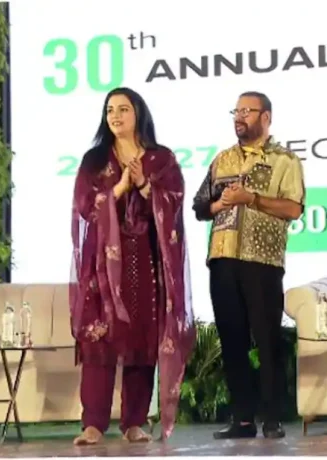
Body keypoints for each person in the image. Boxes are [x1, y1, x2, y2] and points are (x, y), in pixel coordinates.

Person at [69, 87, 195, 445]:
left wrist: (143, 185)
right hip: (102, 265)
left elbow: (174, 203)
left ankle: (135, 422)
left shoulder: (161, 160)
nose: (116, 116)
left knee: (141, 341)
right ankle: (93, 423)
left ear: (138, 113)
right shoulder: (95, 160)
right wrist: (119, 189)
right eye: (110, 110)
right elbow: (85, 206)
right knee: (99, 341)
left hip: (145, 261)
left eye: (123, 109)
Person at [192, 91, 305, 440]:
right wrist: (220, 205)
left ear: (265, 117)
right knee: (232, 340)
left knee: (267, 340)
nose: (239, 117)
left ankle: (272, 418)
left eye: (247, 111)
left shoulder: (285, 160)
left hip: (262, 260)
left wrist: (251, 199)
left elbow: (294, 208)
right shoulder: (223, 159)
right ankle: (242, 419)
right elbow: (200, 206)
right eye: (236, 111)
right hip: (223, 258)